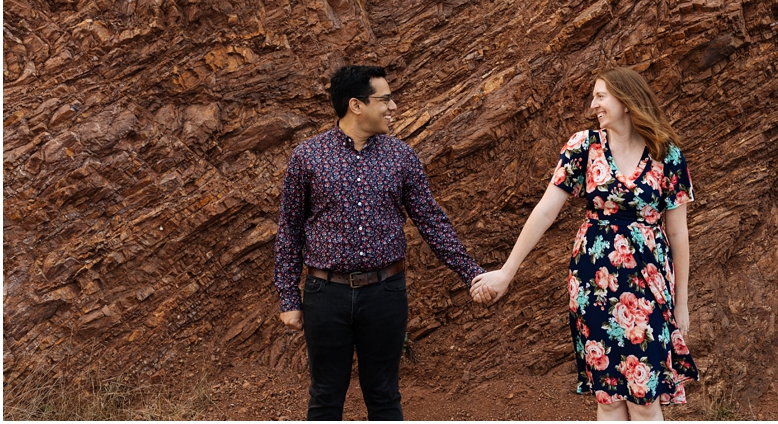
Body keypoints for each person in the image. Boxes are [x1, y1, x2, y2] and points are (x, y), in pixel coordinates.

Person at [471, 67, 699, 421]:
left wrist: (681, 301)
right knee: (607, 397)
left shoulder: (666, 155)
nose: (593, 104)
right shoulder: (583, 146)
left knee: (644, 396)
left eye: (601, 96)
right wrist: (507, 271)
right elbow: (545, 211)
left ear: (625, 101)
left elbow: (679, 233)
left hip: (649, 284)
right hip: (593, 283)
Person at [274, 64, 486, 421]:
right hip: (325, 296)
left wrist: (471, 273)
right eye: (385, 99)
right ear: (356, 105)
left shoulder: (400, 157)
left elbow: (432, 221)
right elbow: (290, 230)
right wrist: (288, 298)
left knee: (384, 395)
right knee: (325, 396)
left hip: (385, 293)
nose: (394, 107)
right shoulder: (307, 157)